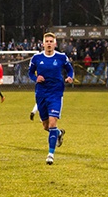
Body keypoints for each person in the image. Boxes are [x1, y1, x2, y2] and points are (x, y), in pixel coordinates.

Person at [28, 32, 75, 165]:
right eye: (46, 41)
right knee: (46, 126)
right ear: (43, 44)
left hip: (55, 93)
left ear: (55, 44)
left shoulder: (61, 57)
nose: (49, 43)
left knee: (53, 123)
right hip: (41, 93)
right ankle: (58, 133)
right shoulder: (36, 58)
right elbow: (30, 72)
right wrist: (36, 78)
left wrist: (70, 77)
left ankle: (50, 154)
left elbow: (70, 70)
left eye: (51, 41)